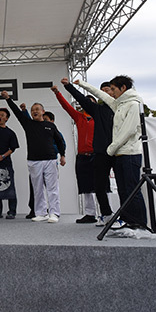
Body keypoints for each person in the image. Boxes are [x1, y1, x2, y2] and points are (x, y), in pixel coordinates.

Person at [76, 76, 147, 228]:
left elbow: (128, 130)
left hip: (130, 154)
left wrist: (111, 148)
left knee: (132, 190)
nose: (111, 93)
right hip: (119, 154)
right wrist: (82, 84)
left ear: (123, 88)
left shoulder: (133, 104)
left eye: (113, 89)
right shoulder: (118, 104)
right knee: (123, 191)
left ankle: (139, 223)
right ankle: (128, 221)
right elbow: (100, 95)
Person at [2, 90, 66, 223]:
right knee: (37, 189)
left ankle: (54, 213)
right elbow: (16, 112)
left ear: (43, 112)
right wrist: (8, 99)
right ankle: (41, 213)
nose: (34, 111)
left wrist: (63, 155)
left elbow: (59, 141)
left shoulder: (50, 125)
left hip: (50, 159)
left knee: (52, 188)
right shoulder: (28, 124)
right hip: (33, 161)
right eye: (32, 110)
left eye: (37, 109)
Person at [62, 78, 116, 226]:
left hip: (116, 152)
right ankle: (101, 214)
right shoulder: (94, 112)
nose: (105, 93)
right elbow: (74, 102)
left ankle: (118, 216)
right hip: (94, 155)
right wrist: (68, 86)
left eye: (108, 90)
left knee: (107, 186)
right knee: (91, 186)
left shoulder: (120, 108)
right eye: (102, 91)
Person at [51, 83, 98, 223]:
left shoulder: (99, 118)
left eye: (91, 102)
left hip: (97, 155)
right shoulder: (79, 117)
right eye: (86, 102)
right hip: (83, 156)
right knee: (86, 186)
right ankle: (91, 214)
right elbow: (67, 107)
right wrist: (57, 93)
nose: (88, 104)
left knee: (102, 186)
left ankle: (106, 214)